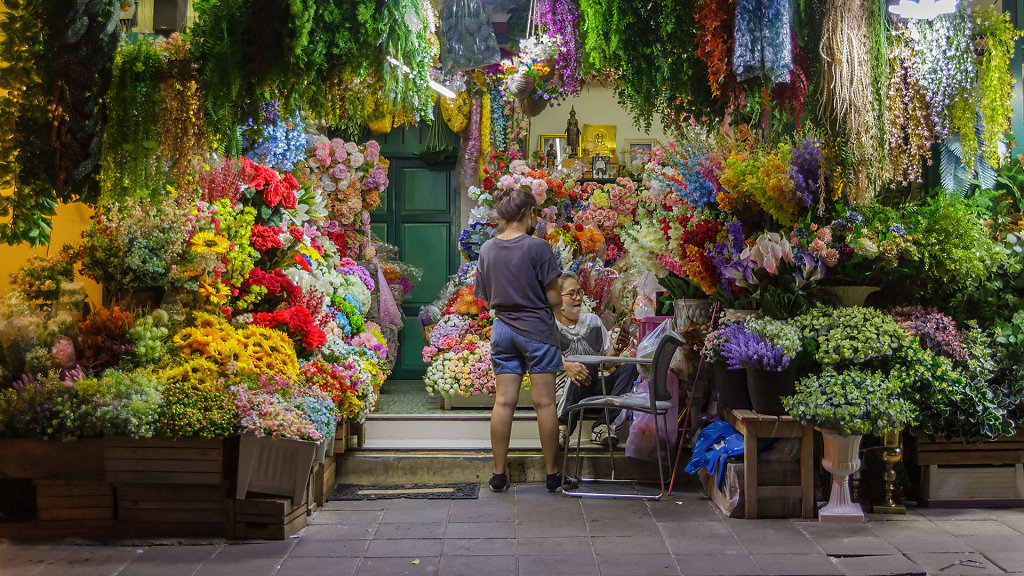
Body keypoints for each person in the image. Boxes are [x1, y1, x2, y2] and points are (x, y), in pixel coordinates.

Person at [474, 186, 565, 493]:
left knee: (503, 402)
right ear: (529, 213)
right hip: (537, 330)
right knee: (544, 404)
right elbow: (554, 298)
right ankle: (553, 474)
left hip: (503, 330)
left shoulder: (487, 249)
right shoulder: (538, 248)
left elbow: (485, 300)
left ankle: (498, 474)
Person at [554, 272, 637, 447]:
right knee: (586, 365)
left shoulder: (592, 321)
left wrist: (617, 349)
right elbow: (542, 357)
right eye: (571, 294)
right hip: (566, 389)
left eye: (580, 292)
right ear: (557, 299)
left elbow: (605, 363)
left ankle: (602, 426)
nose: (578, 298)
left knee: (631, 368)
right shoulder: (549, 325)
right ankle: (563, 425)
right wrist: (567, 365)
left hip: (596, 384)